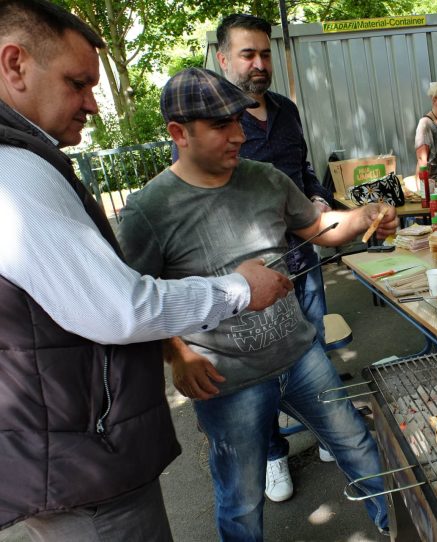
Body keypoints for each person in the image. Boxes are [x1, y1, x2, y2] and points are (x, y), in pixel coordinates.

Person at [0, 1, 288, 539]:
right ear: (14, 64)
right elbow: (122, 307)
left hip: (67, 449)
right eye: (78, 83)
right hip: (82, 463)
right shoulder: (14, 175)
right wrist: (238, 289)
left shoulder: (25, 162)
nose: (93, 104)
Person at [117, 67, 395, 541]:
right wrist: (178, 355)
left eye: (239, 121)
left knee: (357, 446)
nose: (238, 135)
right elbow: (138, 300)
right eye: (221, 125)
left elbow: (320, 229)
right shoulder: (149, 211)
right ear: (178, 133)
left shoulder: (266, 179)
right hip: (227, 381)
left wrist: (365, 216)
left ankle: (400, 529)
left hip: (301, 354)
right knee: (241, 500)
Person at [214, 12, 335, 504]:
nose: (259, 63)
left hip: (304, 260)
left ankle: (326, 429)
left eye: (264, 53)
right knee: (261, 367)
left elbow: (302, 170)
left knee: (314, 348)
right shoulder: (213, 119)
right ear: (223, 59)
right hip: (253, 274)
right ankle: (272, 455)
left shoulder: (286, 109)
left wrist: (320, 199)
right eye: (247, 54)